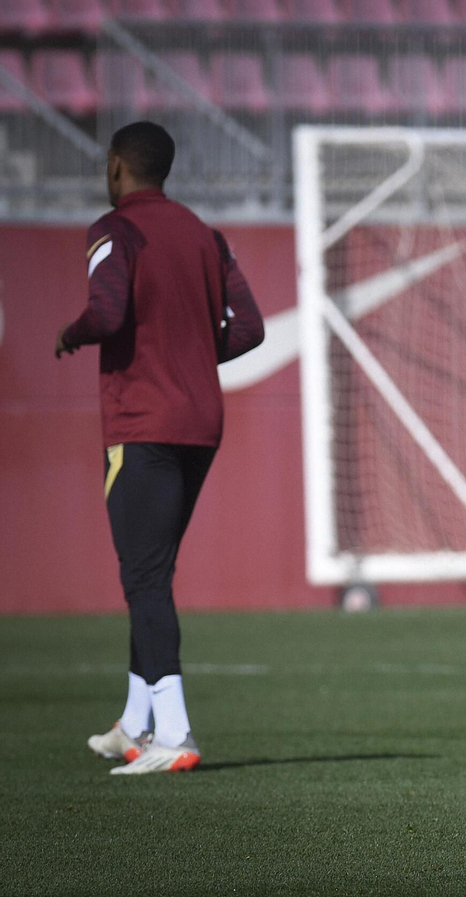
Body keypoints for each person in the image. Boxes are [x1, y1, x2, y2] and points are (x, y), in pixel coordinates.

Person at [59, 121, 265, 774]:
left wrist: (72, 331)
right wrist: (199, 351)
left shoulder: (114, 229)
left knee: (144, 575)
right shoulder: (205, 234)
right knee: (151, 572)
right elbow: (251, 327)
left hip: (141, 421)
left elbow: (108, 310)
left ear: (118, 166)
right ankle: (134, 721)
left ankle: (174, 733)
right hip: (201, 422)